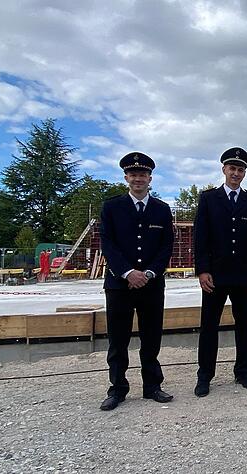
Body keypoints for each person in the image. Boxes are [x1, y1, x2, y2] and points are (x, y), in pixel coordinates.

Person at [98, 152, 174, 411]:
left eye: (143, 174)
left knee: (151, 338)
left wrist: (149, 273)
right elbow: (107, 244)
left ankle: (152, 386)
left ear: (150, 178)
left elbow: (166, 247)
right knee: (118, 340)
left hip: (152, 285)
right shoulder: (112, 207)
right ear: (126, 177)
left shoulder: (162, 210)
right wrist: (129, 272)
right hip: (119, 284)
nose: (138, 178)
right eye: (133, 174)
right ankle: (117, 388)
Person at [193, 147, 247, 397]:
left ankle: (243, 371)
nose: (236, 173)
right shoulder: (209, 199)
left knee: (243, 325)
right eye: (232, 168)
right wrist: (202, 270)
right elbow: (200, 237)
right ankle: (205, 375)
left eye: (241, 169)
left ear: (245, 173)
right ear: (224, 169)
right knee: (209, 326)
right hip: (215, 275)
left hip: (243, 276)